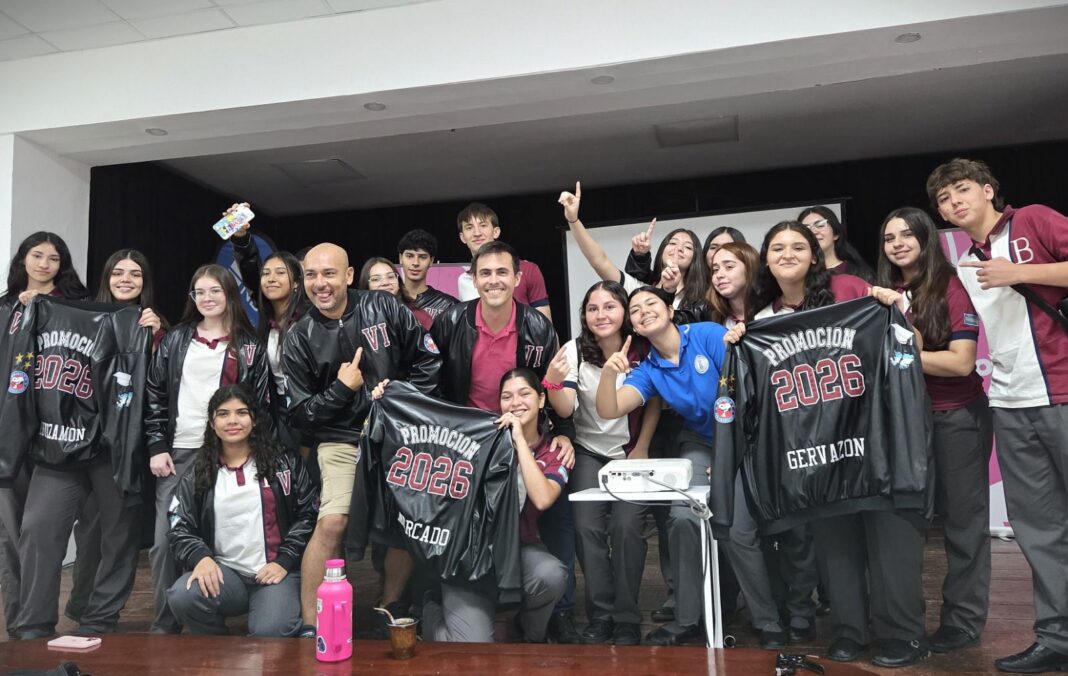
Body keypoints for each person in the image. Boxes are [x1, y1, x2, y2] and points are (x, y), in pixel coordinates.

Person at [732, 221, 928, 668]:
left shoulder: (853, 292)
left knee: (888, 535)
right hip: (816, 452)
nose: (787, 254)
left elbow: (906, 346)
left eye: (798, 246)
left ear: (814, 256)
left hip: (870, 435)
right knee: (834, 541)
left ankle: (904, 634)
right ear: (765, 259)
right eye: (777, 247)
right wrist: (738, 345)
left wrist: (892, 308)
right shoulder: (762, 322)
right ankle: (848, 629)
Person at [926, 158, 1068, 674]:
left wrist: (1021, 272)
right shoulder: (963, 263)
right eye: (943, 199)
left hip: (1063, 389)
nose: (954, 202)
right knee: (1038, 529)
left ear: (988, 191)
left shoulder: (1031, 221)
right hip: (1008, 401)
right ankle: (1056, 637)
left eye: (962, 190)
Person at [594, 285, 785, 647]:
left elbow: (749, 391)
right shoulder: (649, 369)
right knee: (681, 519)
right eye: (635, 310)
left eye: (651, 303)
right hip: (700, 443)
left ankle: (767, 620)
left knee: (737, 529)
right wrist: (607, 375)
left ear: (669, 310)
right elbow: (609, 409)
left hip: (745, 440)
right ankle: (686, 619)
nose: (643, 311)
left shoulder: (706, 335)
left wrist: (730, 460)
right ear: (632, 325)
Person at [283, 243, 441, 636]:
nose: (320, 283)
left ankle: (388, 606)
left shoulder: (383, 307)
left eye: (329, 273)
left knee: (407, 523)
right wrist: (340, 389)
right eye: (311, 275)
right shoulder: (298, 337)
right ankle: (309, 624)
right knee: (333, 521)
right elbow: (300, 415)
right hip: (341, 440)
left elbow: (428, 359)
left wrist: (398, 396)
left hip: (397, 434)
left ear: (349, 275)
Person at [430, 239, 579, 642]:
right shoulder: (451, 321)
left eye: (501, 273)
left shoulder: (536, 326)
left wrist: (564, 433)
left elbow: (547, 387)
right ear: (473, 279)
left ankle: (555, 613)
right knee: (458, 522)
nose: (493, 280)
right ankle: (440, 600)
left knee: (547, 515)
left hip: (522, 437)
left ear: (516, 279)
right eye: (485, 273)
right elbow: (431, 382)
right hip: (468, 443)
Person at [877, 206, 993, 654]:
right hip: (905, 422)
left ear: (927, 238)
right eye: (890, 238)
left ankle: (962, 622)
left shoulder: (950, 286)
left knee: (964, 524)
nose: (899, 244)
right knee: (906, 523)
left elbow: (962, 362)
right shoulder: (886, 293)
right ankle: (902, 622)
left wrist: (899, 362)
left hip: (956, 416)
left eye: (908, 234)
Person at [145, 263, 272, 634]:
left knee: (226, 535)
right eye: (199, 292)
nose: (207, 298)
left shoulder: (249, 346)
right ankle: (164, 626)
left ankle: (222, 611)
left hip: (232, 453)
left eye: (215, 290)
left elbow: (261, 405)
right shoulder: (176, 339)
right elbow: (155, 394)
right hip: (181, 451)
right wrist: (156, 444)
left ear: (230, 294)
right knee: (164, 542)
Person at [542, 281, 659, 645]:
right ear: (584, 315)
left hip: (630, 449)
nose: (601, 314)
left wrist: (642, 446)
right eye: (593, 308)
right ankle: (602, 615)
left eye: (610, 306)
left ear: (624, 311)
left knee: (627, 527)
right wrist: (553, 385)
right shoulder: (574, 350)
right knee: (587, 529)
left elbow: (654, 400)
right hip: (589, 449)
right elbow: (566, 409)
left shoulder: (644, 347)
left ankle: (626, 617)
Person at [61, 249, 169, 628]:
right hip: (85, 443)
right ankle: (79, 605)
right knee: (88, 531)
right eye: (119, 272)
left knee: (121, 533)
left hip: (133, 445)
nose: (126, 279)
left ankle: (103, 615)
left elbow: (162, 385)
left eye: (135, 274)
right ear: (107, 277)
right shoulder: (83, 317)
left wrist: (155, 339)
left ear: (145, 282)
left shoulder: (155, 326)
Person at [167, 385, 316, 637]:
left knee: (272, 631)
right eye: (223, 414)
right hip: (226, 575)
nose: (232, 420)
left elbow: (308, 514)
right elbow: (178, 523)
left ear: (254, 420)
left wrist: (285, 560)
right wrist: (201, 558)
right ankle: (216, 647)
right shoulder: (200, 471)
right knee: (184, 595)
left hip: (274, 573)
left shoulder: (285, 464)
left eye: (241, 412)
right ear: (212, 423)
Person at [0, 232, 89, 638]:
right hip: (6, 437)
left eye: (54, 258)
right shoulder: (4, 307)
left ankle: (37, 621)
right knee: (10, 537)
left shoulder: (75, 307)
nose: (44, 264)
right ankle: (21, 624)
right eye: (37, 256)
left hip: (55, 436)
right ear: (23, 259)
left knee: (40, 532)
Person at [559, 183, 709, 320]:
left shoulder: (701, 299)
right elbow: (600, 261)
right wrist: (573, 220)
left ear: (695, 259)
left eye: (688, 247)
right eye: (673, 243)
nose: (679, 248)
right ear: (662, 250)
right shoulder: (640, 290)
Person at [454, 202, 552, 320]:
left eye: (483, 225)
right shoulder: (463, 280)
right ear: (462, 237)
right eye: (469, 228)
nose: (477, 233)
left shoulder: (528, 270)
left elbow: (545, 326)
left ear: (496, 231)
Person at [396, 229, 458, 330]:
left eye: (422, 257)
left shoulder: (448, 305)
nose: (415, 263)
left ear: (431, 261)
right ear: (400, 258)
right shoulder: (390, 302)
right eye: (409, 256)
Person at [796, 206, 874, 282]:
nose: (813, 232)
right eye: (806, 229)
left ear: (836, 234)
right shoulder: (798, 275)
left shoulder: (859, 273)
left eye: (820, 225)